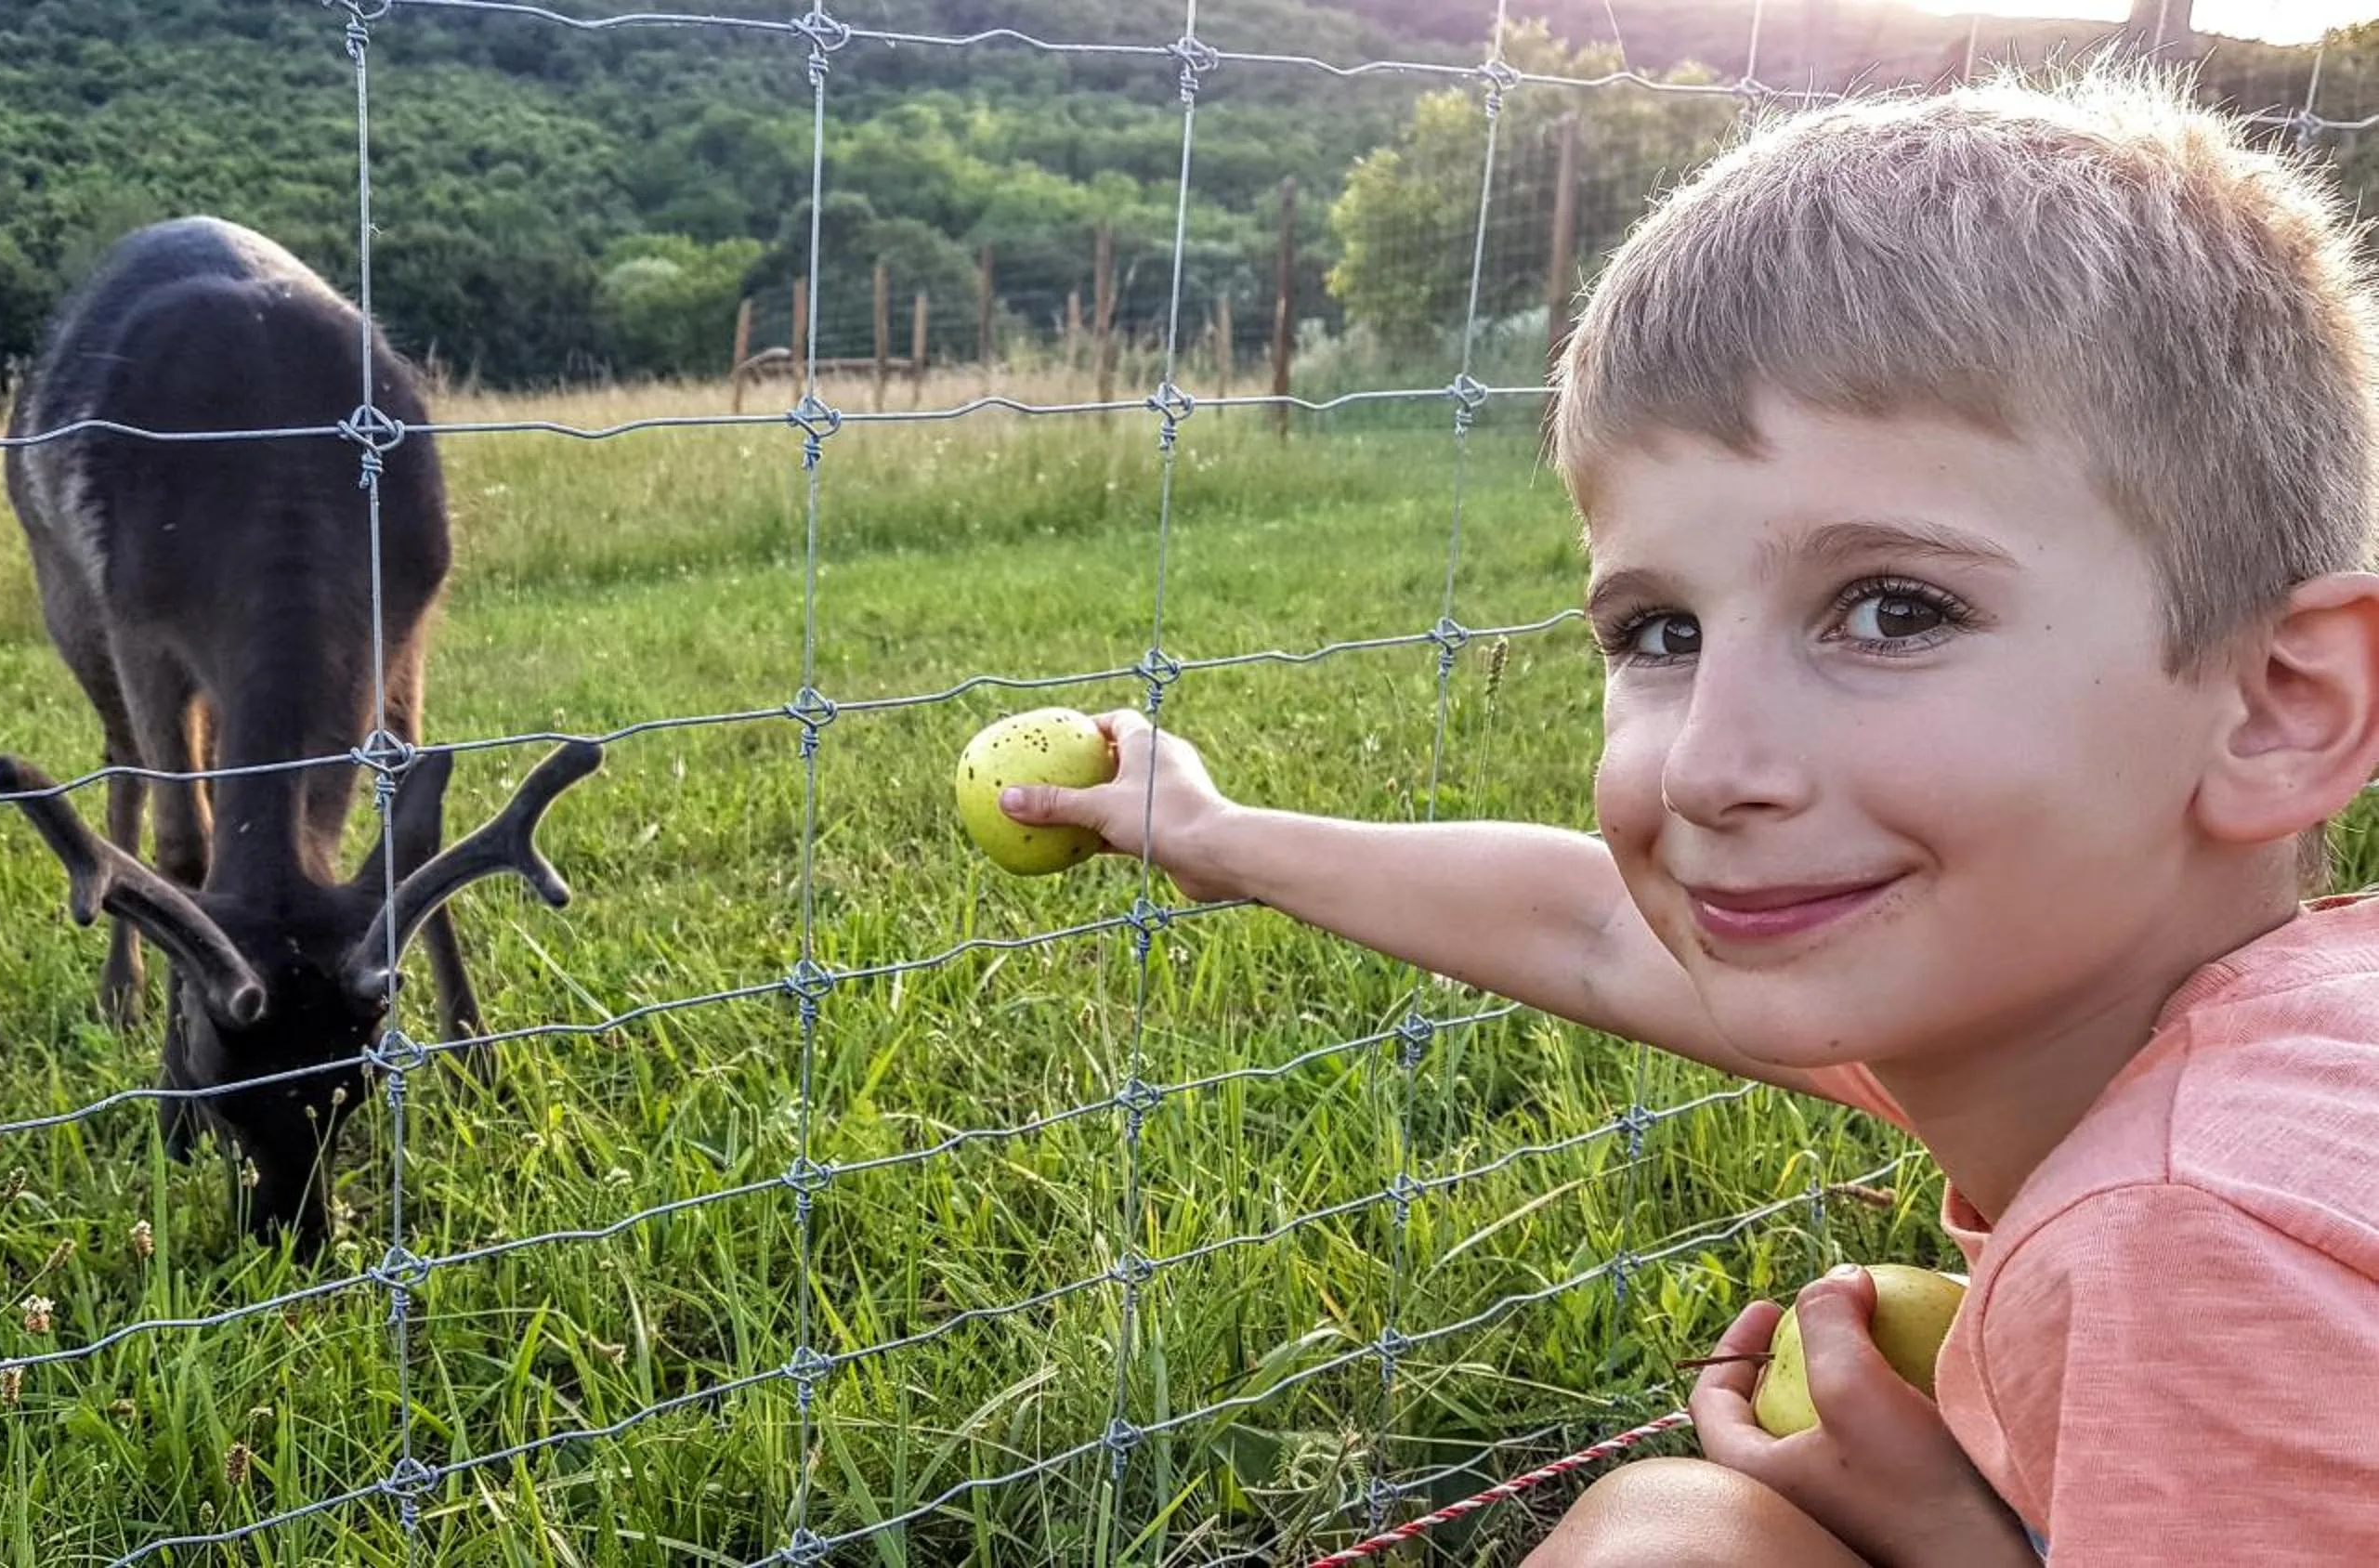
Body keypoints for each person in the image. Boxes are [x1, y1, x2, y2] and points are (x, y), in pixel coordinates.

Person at [1000, 65, 2379, 1567]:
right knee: (1672, 1531)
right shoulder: (2211, 1012)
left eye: (1894, 609)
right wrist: (1211, 830)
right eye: (1660, 634)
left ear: (2278, 708)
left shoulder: (2190, 1243)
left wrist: (1950, 1539)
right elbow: (1590, 926)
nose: (1706, 767)